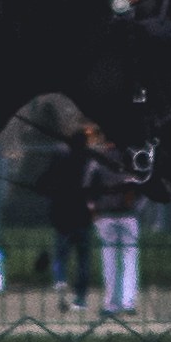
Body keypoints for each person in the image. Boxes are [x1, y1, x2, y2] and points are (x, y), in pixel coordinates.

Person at [82, 122, 145, 316]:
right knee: (130, 259)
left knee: (109, 260)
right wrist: (137, 208)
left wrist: (92, 210)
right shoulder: (132, 159)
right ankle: (128, 302)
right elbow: (142, 187)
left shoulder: (97, 161)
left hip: (106, 215)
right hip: (128, 215)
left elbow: (88, 188)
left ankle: (111, 303)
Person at [35, 128, 96, 307]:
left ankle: (60, 281)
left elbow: (42, 182)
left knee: (61, 254)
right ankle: (81, 299)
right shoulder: (89, 162)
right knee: (83, 260)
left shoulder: (60, 160)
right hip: (83, 216)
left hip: (62, 216)